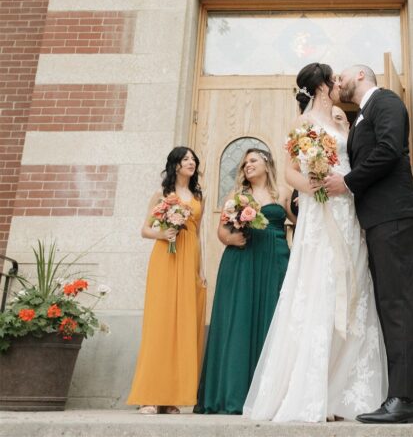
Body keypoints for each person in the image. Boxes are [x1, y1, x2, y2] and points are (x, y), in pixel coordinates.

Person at [243, 62, 387, 422]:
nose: (338, 83)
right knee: (320, 285)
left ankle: (341, 391)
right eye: (333, 79)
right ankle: (311, 392)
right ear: (322, 85)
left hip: (348, 211)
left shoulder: (341, 117)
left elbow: (353, 160)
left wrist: (344, 130)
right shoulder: (301, 125)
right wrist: (313, 187)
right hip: (320, 212)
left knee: (353, 286)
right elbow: (291, 171)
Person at [324, 64, 413, 424]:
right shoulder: (363, 114)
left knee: (396, 303)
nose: (338, 82)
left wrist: (348, 182)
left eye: (342, 77)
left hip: (395, 215)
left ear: (362, 76)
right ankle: (405, 396)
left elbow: (389, 149)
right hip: (379, 219)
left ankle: (404, 399)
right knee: (390, 304)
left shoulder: (386, 102)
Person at [195, 148, 292, 414]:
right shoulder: (236, 196)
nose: (247, 165)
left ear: (266, 163)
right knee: (239, 320)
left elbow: (301, 222)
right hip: (242, 260)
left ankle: (270, 394)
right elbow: (222, 231)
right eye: (244, 162)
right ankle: (234, 393)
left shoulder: (282, 193)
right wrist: (231, 238)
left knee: (273, 318)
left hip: (274, 259)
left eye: (253, 160)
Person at [127, 147, 206, 414]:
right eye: (186, 159)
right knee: (160, 324)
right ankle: (150, 396)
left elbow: (199, 235)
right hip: (165, 259)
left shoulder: (197, 196)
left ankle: (172, 397)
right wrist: (163, 235)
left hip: (189, 261)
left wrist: (201, 270)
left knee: (182, 327)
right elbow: (145, 230)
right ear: (175, 165)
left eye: (193, 159)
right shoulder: (162, 195)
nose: (191, 163)